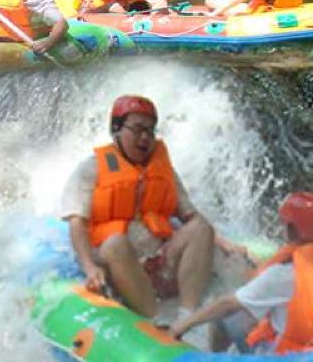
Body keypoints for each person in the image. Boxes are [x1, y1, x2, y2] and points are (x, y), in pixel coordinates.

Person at [61, 95, 217, 323]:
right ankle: (153, 321)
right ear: (116, 130)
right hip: (117, 263)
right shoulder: (90, 169)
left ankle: (187, 316)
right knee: (115, 243)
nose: (145, 137)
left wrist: (223, 243)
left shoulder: (164, 171)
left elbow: (191, 216)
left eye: (150, 130)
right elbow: (77, 222)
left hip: (157, 261)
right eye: (137, 129)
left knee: (201, 228)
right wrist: (89, 267)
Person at [169, 191, 313, 353]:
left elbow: (228, 305)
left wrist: (183, 325)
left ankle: (215, 357)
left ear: (293, 229)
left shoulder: (282, 275)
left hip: (285, 356)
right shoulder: (294, 267)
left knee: (227, 318)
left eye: (284, 223)